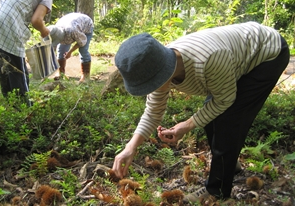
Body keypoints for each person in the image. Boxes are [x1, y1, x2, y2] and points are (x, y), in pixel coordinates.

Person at [112, 22, 289, 203]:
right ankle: (229, 164)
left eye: (150, 85)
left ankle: (217, 191)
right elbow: (153, 111)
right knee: (211, 119)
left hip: (267, 53)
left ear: (163, 73)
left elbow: (225, 100)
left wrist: (187, 125)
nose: (151, 89)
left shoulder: (209, 59)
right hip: (234, 60)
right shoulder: (158, 65)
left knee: (228, 120)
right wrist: (130, 147)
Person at [47, 12, 94, 83]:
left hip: (86, 26)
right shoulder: (55, 30)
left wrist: (70, 52)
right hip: (72, 24)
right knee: (61, 50)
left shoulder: (72, 30)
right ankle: (61, 73)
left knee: (83, 50)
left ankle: (85, 76)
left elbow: (82, 42)